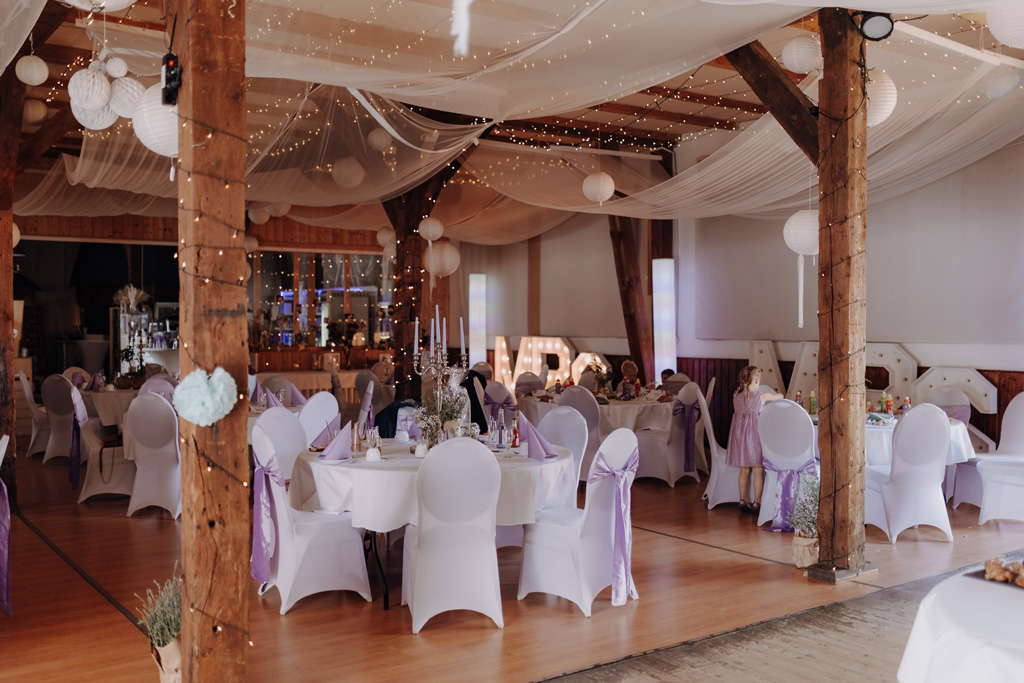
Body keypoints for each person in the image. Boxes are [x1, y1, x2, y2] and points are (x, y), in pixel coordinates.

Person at [727, 365, 783, 516]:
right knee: (758, 470)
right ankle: (757, 502)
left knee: (744, 470)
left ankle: (742, 499)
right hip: (755, 436)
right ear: (757, 380)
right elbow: (779, 396)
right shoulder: (762, 396)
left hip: (739, 437)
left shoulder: (735, 396)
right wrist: (780, 395)